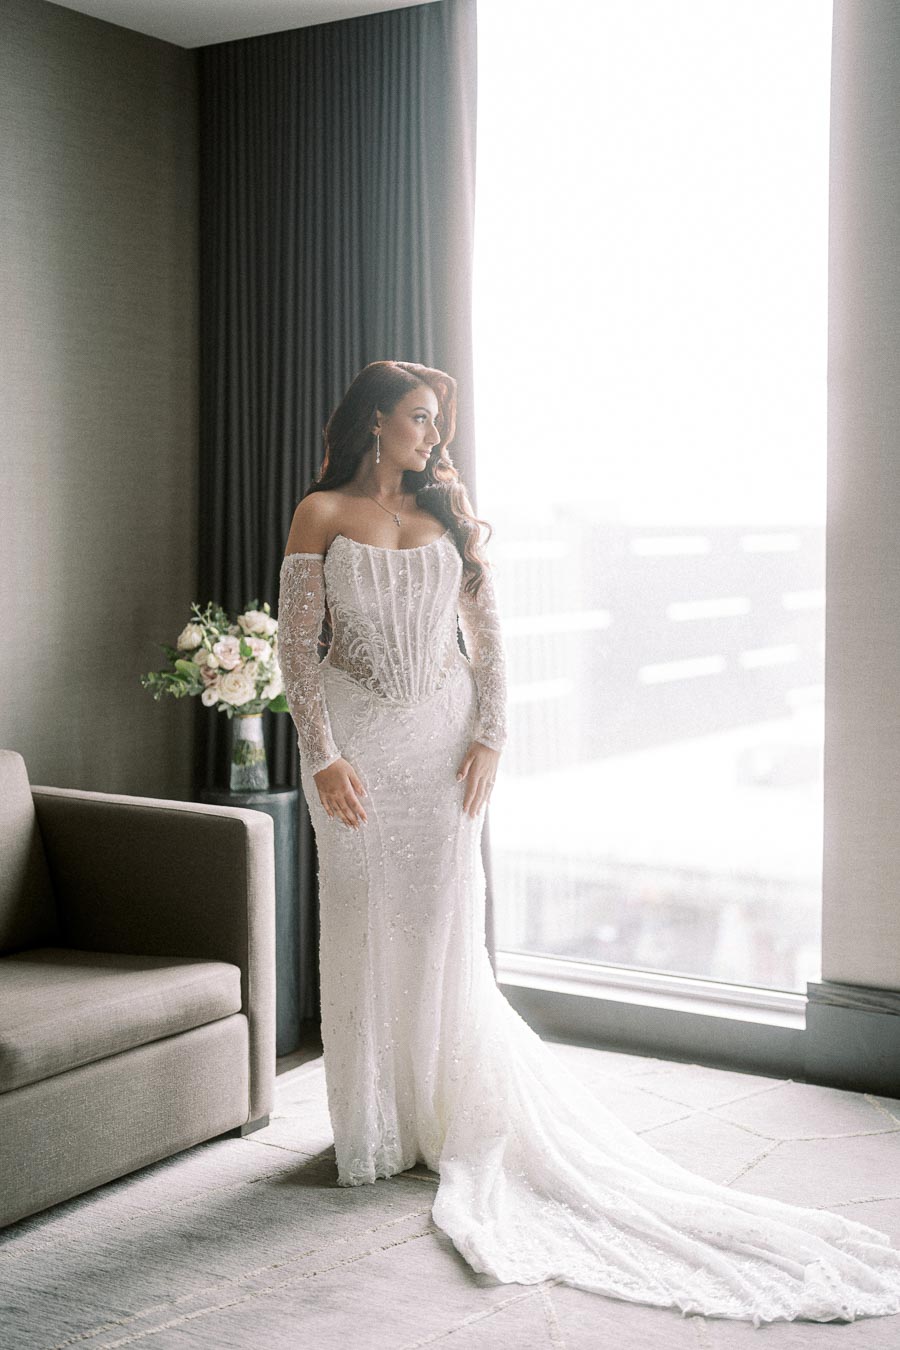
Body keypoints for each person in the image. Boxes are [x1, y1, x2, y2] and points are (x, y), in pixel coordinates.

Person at [276, 359, 900, 1327]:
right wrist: (320, 757)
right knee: (359, 924)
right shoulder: (319, 514)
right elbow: (295, 650)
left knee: (441, 925)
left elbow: (488, 631)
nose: (433, 435)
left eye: (437, 420)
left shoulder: (450, 510)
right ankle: (376, 1129)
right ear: (372, 425)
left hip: (443, 746)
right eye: (417, 418)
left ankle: (444, 1116)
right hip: (357, 753)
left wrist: (492, 734)